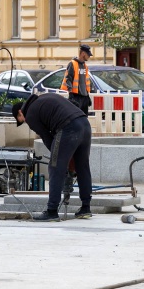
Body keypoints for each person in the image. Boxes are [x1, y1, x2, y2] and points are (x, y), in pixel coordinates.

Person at [12, 93, 92, 222]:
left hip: (68, 128)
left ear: (20, 112)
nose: (25, 122)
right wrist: (66, 156)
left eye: (21, 119)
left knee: (55, 167)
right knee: (82, 167)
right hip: (84, 124)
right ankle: (86, 208)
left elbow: (47, 138)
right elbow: (74, 104)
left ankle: (52, 211)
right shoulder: (45, 98)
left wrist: (59, 158)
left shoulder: (30, 114)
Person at [61, 44, 93, 115]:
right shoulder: (72, 64)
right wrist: (70, 93)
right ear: (83, 53)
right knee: (75, 116)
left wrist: (87, 95)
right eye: (88, 55)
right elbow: (68, 78)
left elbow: (85, 82)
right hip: (75, 96)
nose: (89, 57)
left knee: (84, 117)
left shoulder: (85, 66)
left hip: (84, 96)